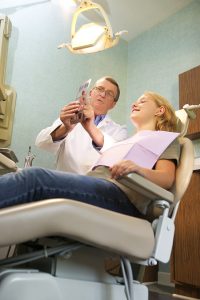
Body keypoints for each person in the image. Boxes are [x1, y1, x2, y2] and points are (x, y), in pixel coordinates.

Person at [0, 91, 180, 219]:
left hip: (119, 197)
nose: (135, 103)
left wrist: (138, 169)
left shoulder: (164, 138)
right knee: (29, 193)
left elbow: (166, 178)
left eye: (143, 101)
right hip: (98, 186)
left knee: (34, 179)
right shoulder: (130, 141)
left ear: (160, 110)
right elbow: (44, 141)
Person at [35, 77, 128, 174]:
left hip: (95, 187)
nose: (103, 94)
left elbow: (116, 157)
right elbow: (41, 142)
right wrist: (66, 128)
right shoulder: (71, 116)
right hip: (65, 183)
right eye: (100, 89)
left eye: (109, 93)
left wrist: (90, 126)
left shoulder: (119, 131)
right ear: (91, 92)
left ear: (113, 104)